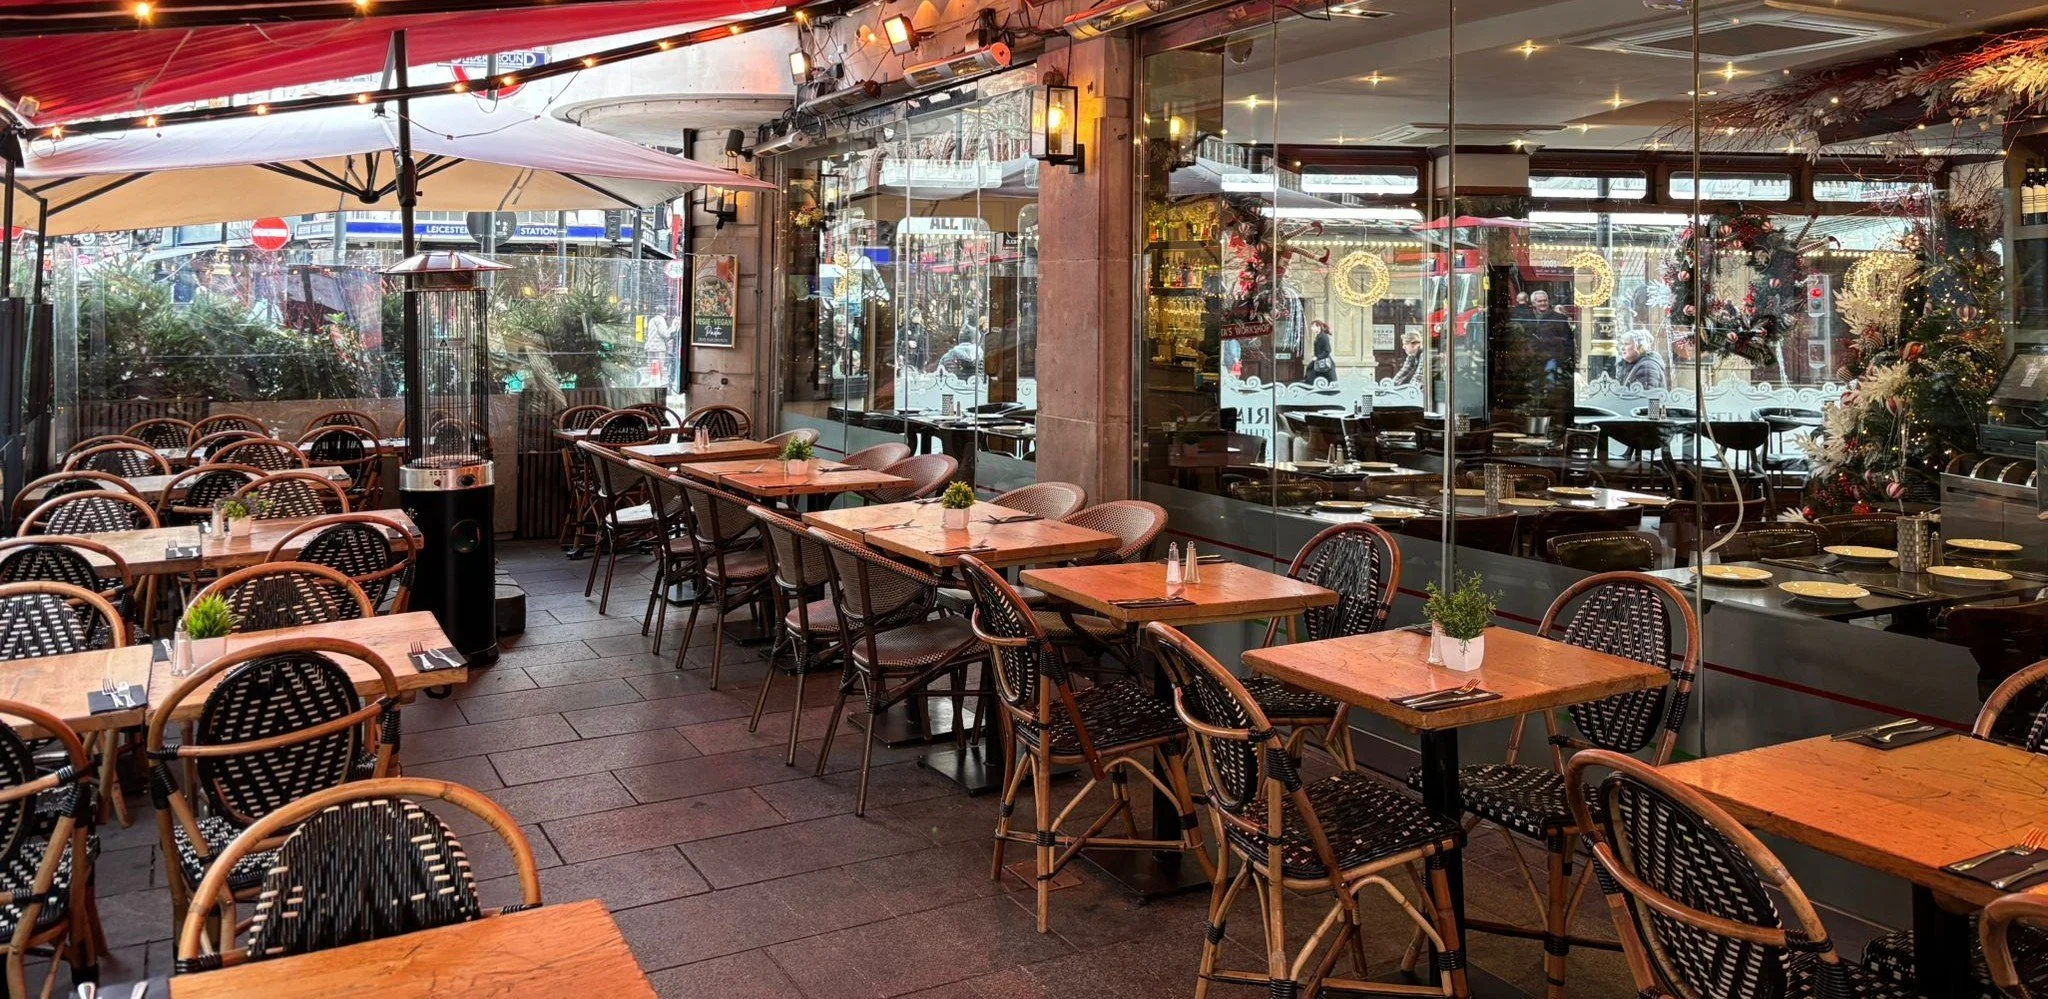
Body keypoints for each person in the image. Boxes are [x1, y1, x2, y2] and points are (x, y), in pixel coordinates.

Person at [1303, 320, 1338, 384]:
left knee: (1315, 376)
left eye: (1313, 326)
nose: (1311, 328)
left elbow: (1327, 351)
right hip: (1319, 362)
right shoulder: (1319, 336)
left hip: (1323, 362)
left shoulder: (1323, 336)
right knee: (1312, 374)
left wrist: (1317, 357)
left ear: (1318, 327)